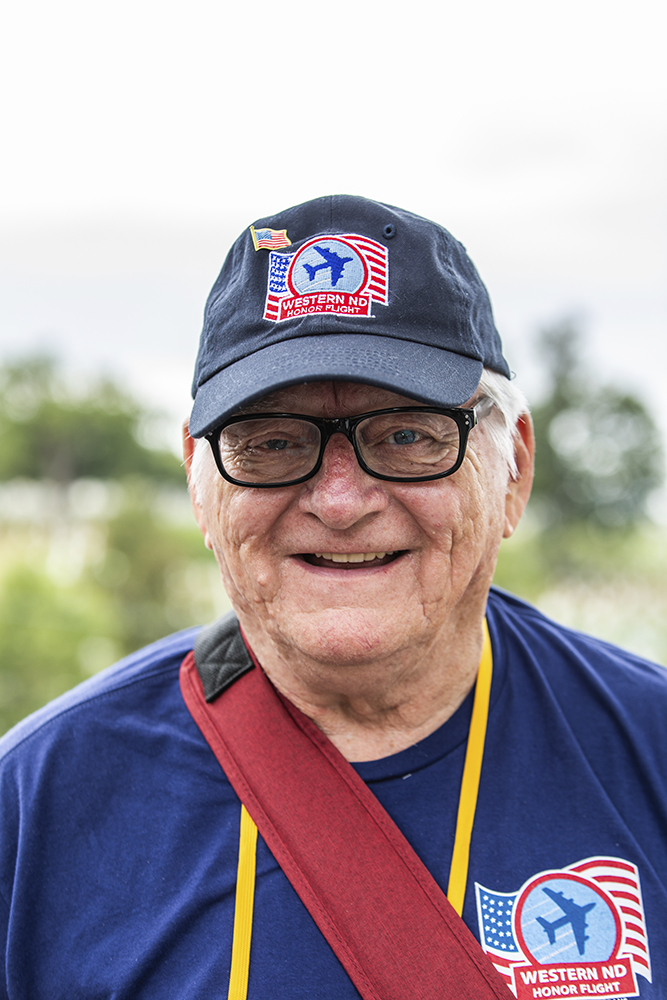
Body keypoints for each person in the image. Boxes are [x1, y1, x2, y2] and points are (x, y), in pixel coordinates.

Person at [0, 195, 665, 999]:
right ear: (197, 483)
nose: (341, 501)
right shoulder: (36, 803)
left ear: (513, 470)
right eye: (273, 442)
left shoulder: (649, 751)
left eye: (408, 436)